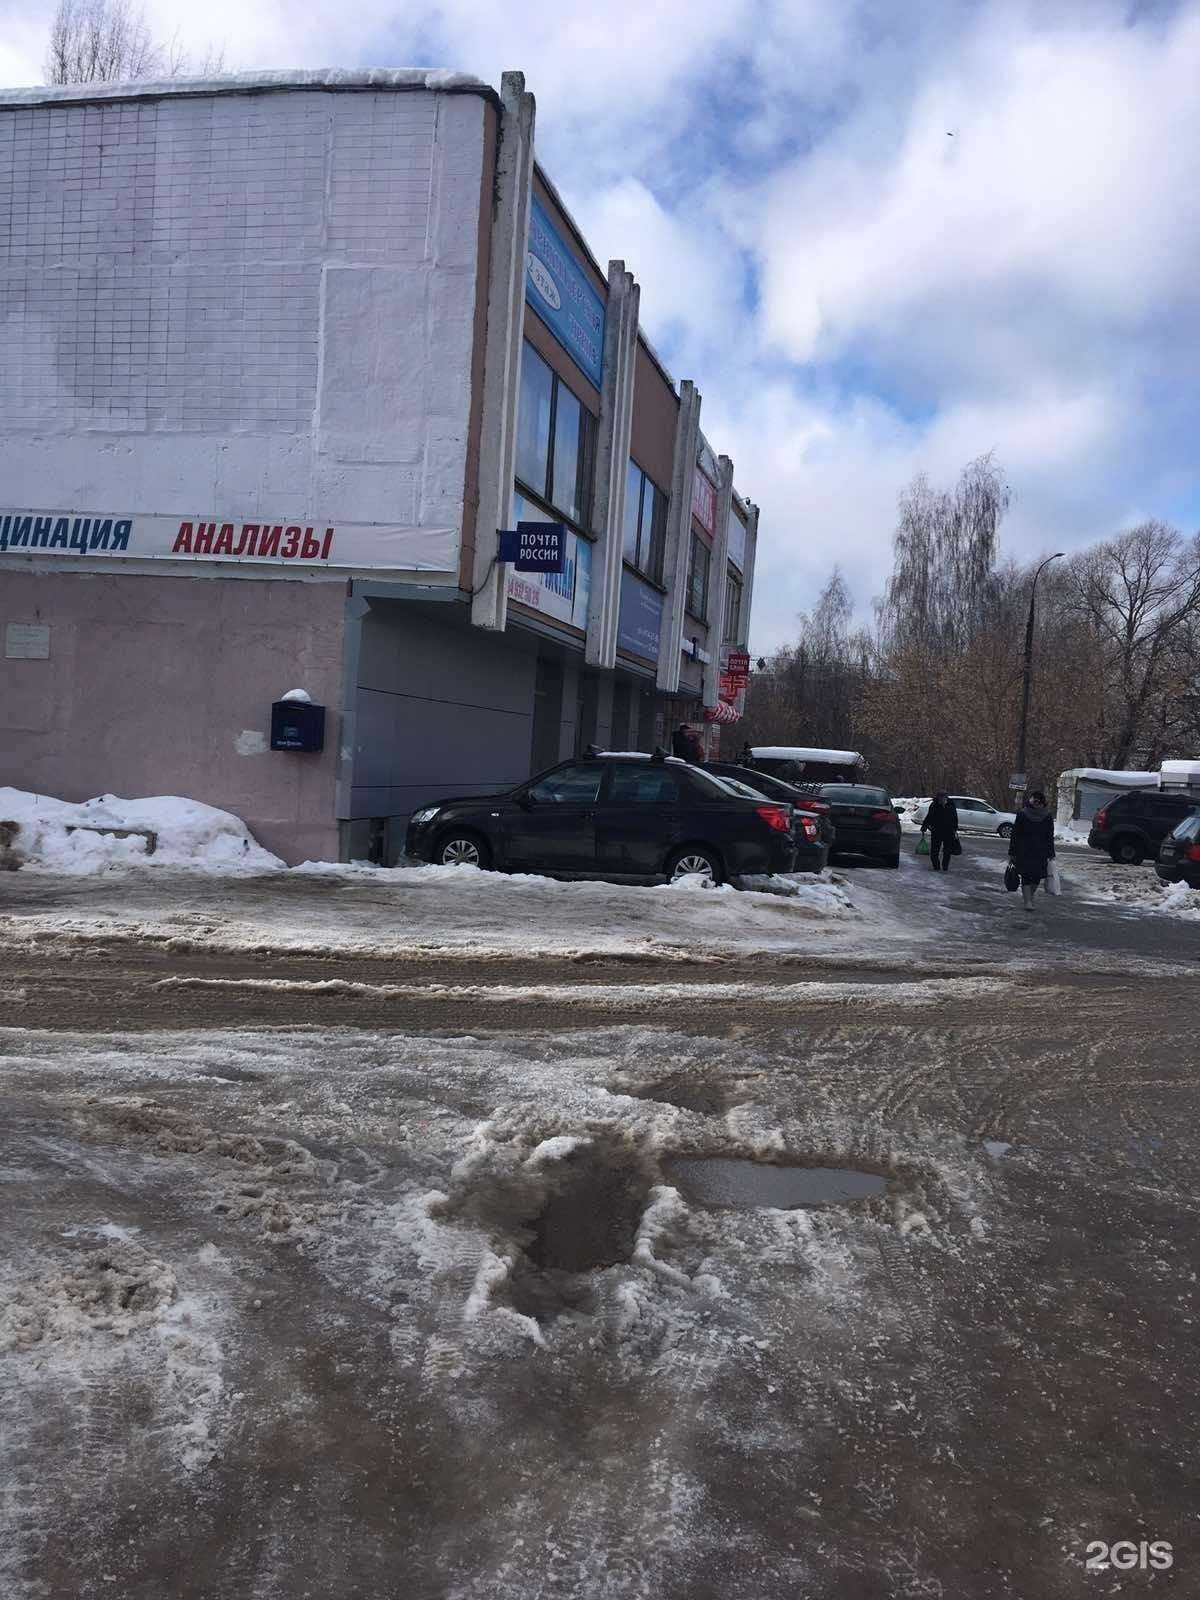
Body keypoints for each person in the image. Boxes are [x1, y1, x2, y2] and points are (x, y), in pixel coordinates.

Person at [1009, 789, 1055, 911]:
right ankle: (1028, 901)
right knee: (1026, 876)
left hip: (1039, 852)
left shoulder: (1047, 816)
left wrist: (1051, 853)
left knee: (1037, 877)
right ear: (1031, 801)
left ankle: (1029, 897)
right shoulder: (1023, 814)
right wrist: (1012, 852)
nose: (1036, 803)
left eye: (1038, 802)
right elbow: (1015, 835)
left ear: (1042, 803)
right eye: (1034, 801)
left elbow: (1049, 836)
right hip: (1025, 851)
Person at [920, 791, 959, 871]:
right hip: (936, 831)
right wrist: (924, 826)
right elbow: (929, 816)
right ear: (938, 798)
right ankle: (936, 866)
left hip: (949, 831)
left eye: (944, 797)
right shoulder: (934, 805)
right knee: (934, 851)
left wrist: (955, 828)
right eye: (940, 797)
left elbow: (955, 817)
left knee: (947, 851)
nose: (942, 799)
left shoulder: (951, 805)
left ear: (946, 798)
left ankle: (945, 866)